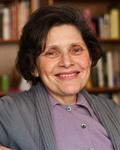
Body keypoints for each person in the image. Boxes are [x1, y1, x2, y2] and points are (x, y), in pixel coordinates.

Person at [0, 4, 120, 150]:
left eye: (76, 50)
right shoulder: (8, 110)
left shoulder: (113, 110)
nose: (67, 62)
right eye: (51, 53)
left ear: (89, 58)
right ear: (33, 67)